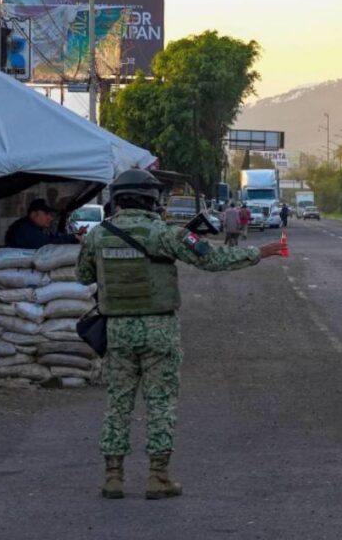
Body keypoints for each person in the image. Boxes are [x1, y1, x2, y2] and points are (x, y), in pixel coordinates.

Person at [76, 170, 286, 500]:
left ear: (117, 199)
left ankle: (113, 477)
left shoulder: (98, 235)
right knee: (160, 403)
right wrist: (259, 253)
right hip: (159, 329)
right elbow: (212, 259)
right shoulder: (165, 233)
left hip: (116, 330)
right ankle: (157, 477)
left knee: (117, 403)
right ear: (151, 199)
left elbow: (83, 274)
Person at [5, 198, 86, 249]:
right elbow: (47, 243)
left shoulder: (33, 227)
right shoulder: (23, 229)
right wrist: (72, 238)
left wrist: (75, 235)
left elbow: (52, 237)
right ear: (33, 214)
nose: (50, 218)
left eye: (50, 215)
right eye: (46, 214)